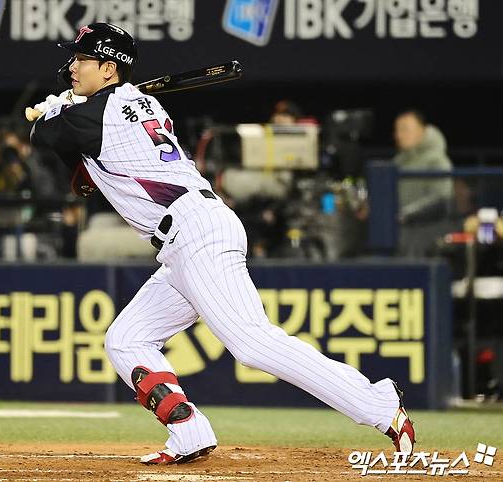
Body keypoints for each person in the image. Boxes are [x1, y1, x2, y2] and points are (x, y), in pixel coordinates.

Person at [29, 23, 415, 465]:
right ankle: (189, 432)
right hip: (185, 238)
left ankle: (377, 403)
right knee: (127, 339)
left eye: (82, 59)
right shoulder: (134, 104)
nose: (72, 66)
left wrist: (56, 108)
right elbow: (82, 163)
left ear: (108, 68)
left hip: (196, 231)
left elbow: (45, 137)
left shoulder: (100, 114)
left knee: (252, 343)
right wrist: (66, 105)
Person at [393, 110, 453, 256]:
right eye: (397, 130)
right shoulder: (397, 162)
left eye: (405, 129)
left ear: (422, 130)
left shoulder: (437, 161)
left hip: (427, 231)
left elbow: (440, 199)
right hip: (398, 231)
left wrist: (405, 215)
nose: (399, 135)